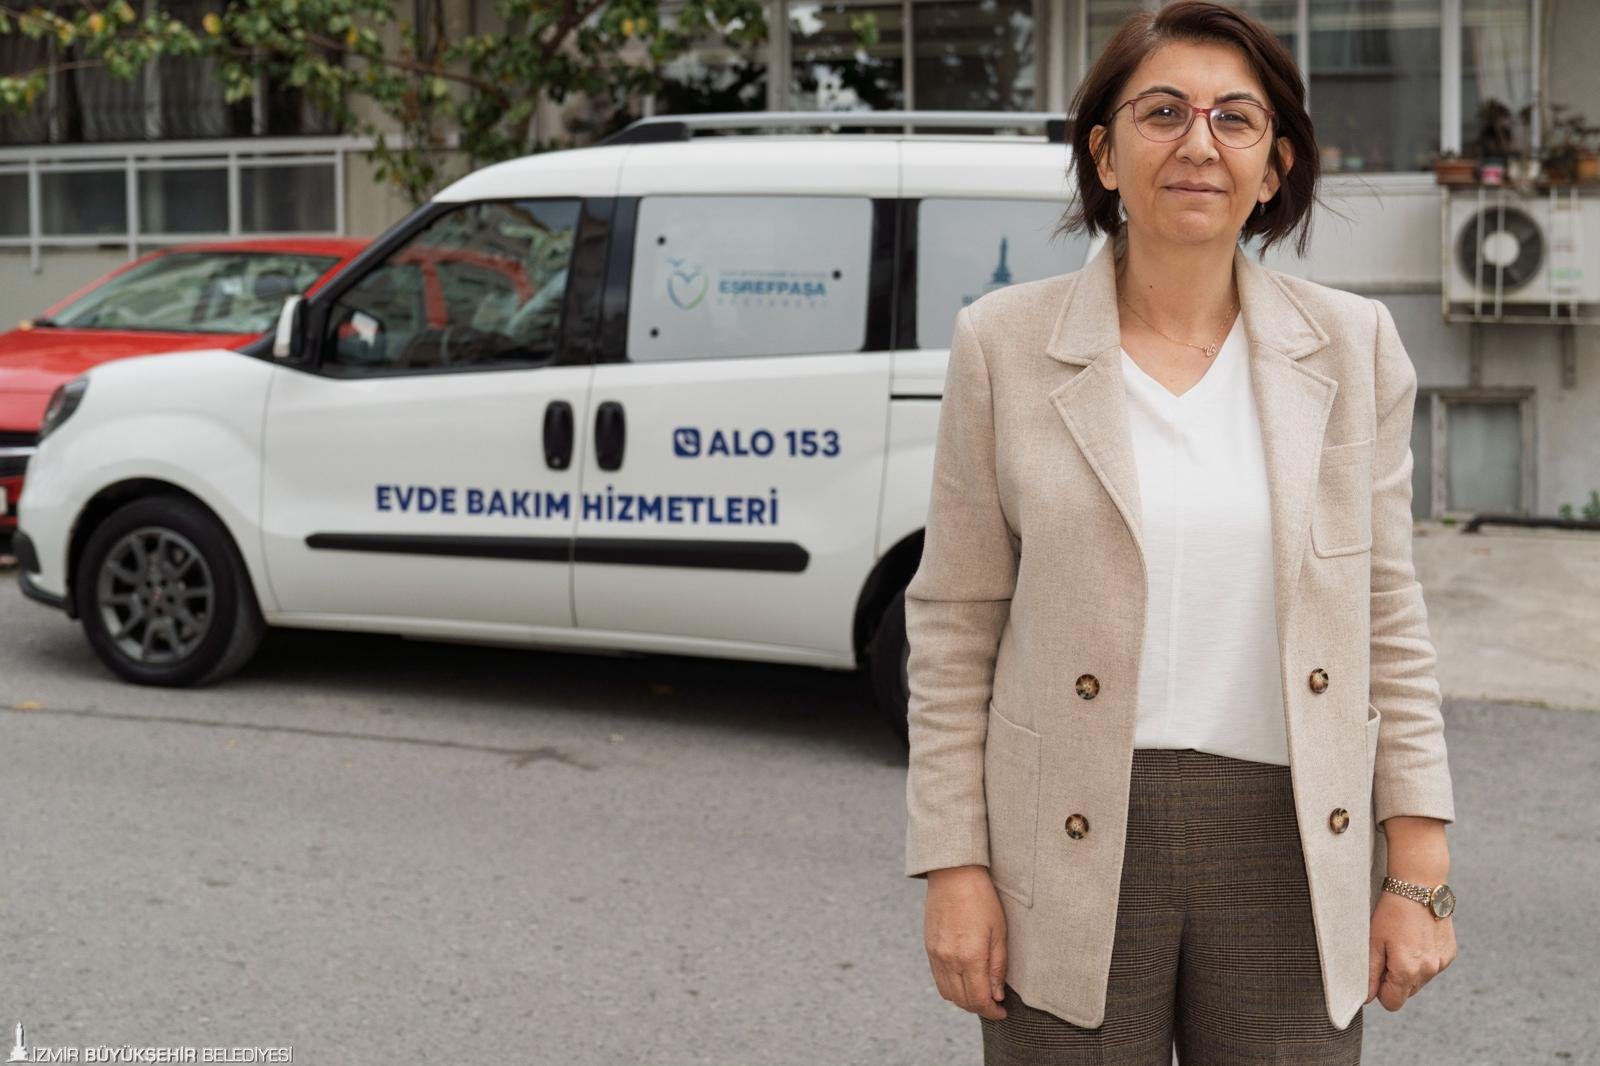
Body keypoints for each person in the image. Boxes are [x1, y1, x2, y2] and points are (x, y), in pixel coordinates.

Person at [902, 3, 1459, 1062]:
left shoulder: (1353, 346)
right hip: (1064, 832)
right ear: (1105, 155)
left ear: (1275, 165)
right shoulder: (1003, 345)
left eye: (1233, 119)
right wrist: (954, 863)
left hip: (1291, 838)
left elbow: (1385, 609)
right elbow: (954, 623)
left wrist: (1418, 862)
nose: (1198, 143)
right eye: (1162, 113)